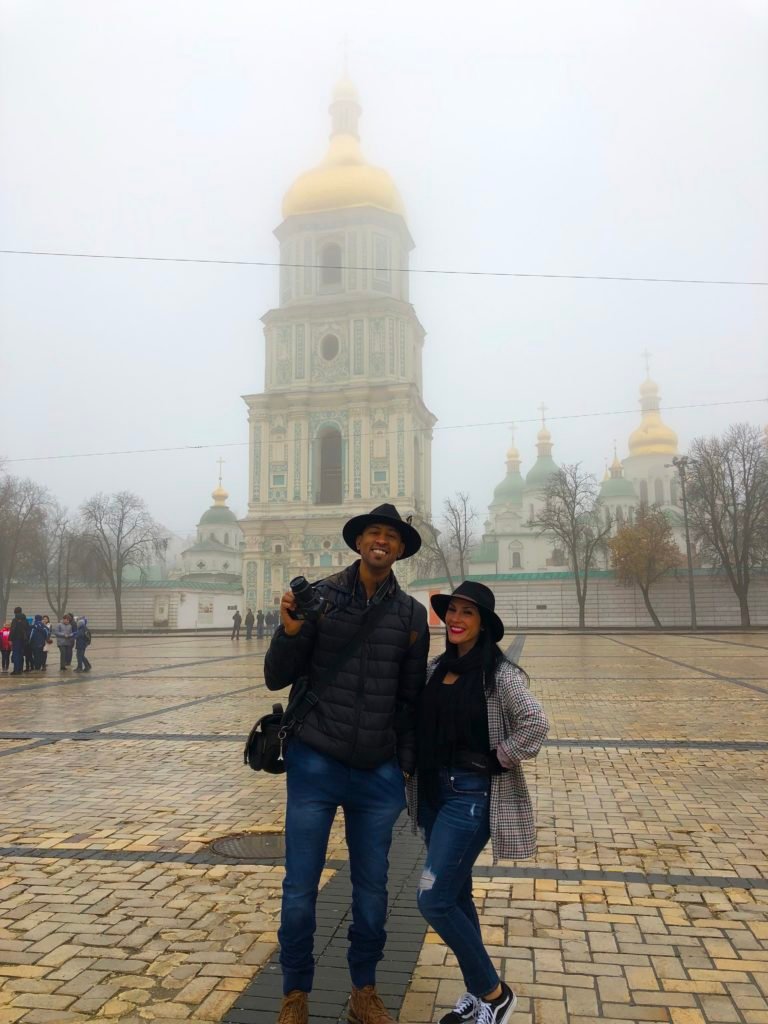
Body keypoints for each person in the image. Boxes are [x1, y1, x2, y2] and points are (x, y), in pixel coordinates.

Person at [265, 503, 428, 1024]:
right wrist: (289, 630)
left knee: (373, 892)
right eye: (373, 534)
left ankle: (365, 990)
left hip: (377, 773)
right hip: (317, 762)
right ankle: (295, 995)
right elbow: (277, 677)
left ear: (400, 549)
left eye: (391, 537)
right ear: (359, 542)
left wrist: (401, 767)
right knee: (299, 886)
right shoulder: (321, 598)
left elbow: (410, 701)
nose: (381, 542)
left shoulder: (410, 616)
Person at [411, 582, 548, 1024]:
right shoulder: (435, 669)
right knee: (457, 894)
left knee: (433, 900)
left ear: (482, 624)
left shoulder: (499, 675)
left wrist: (498, 758)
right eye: (452, 610)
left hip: (470, 799)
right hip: (434, 795)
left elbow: (535, 724)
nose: (456, 619)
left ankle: (494, 993)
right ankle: (478, 993)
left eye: (467, 613)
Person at [9, 607, 29, 676]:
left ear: (15, 612)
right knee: (21, 654)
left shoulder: (15, 620)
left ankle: (16, 670)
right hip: (23, 639)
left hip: (16, 639)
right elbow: (27, 629)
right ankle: (20, 669)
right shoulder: (25, 620)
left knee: (16, 654)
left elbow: (13, 630)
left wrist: (10, 639)